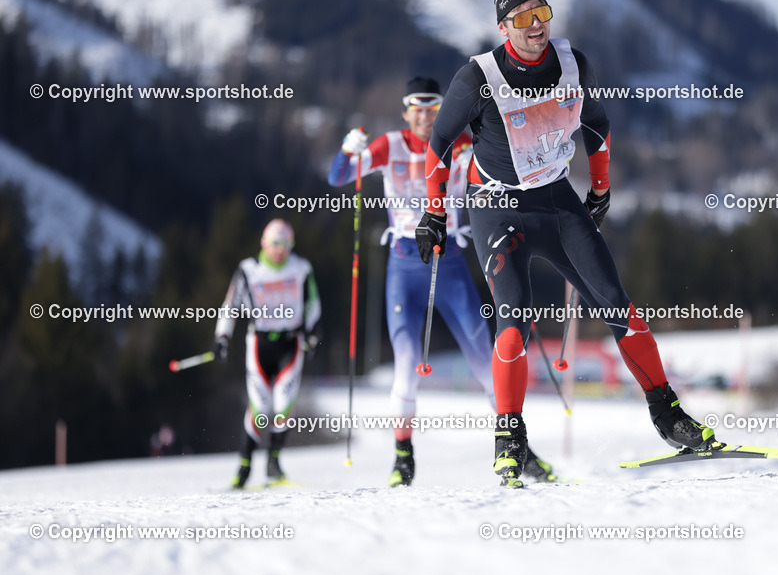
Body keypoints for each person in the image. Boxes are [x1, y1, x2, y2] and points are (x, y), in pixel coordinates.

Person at [416, 0, 716, 487]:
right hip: (497, 208)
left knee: (620, 306)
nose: (537, 26)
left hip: (556, 202)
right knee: (513, 323)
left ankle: (669, 416)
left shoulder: (574, 64)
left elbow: (597, 128)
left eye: (543, 13)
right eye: (524, 18)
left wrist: (600, 190)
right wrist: (434, 213)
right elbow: (439, 144)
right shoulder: (477, 78)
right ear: (504, 25)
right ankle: (509, 440)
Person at [328, 77, 558, 486]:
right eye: (416, 109)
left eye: (433, 109)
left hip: (449, 261)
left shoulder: (462, 142)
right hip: (404, 264)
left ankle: (518, 449)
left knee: (487, 363)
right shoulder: (390, 145)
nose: (425, 116)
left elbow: (511, 167)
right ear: (405, 112)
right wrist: (349, 148)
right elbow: (338, 176)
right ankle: (403, 457)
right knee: (405, 365)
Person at [213, 219, 322, 489]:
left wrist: (313, 332)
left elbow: (314, 305)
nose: (280, 250)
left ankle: (274, 463)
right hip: (259, 344)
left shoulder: (301, 268)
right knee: (259, 407)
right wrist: (222, 336)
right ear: (264, 242)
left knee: (284, 404)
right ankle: (244, 467)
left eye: (286, 244)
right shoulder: (249, 271)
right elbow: (231, 306)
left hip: (290, 343)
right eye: (275, 243)